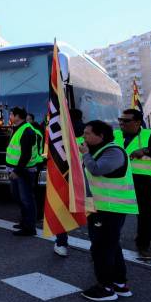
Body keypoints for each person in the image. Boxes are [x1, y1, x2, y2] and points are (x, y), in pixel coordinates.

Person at [79, 120, 139, 301]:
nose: (84, 136)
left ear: (101, 136)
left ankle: (105, 288)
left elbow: (97, 170)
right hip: (100, 207)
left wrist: (86, 155)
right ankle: (119, 284)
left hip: (110, 208)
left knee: (101, 248)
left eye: (88, 133)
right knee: (111, 246)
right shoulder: (100, 150)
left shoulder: (113, 151)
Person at [114, 109, 151, 255]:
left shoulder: (150, 135)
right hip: (118, 180)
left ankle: (143, 245)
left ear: (138, 122)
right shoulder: (114, 135)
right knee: (113, 213)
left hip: (143, 182)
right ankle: (109, 242)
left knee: (145, 215)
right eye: (120, 120)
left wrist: (146, 150)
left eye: (126, 121)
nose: (122, 123)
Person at [54, 109, 86, 257]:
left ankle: (61, 243)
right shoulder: (90, 132)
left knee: (62, 212)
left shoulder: (63, 133)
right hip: (89, 181)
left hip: (67, 178)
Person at [7, 107, 43, 236]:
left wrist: (16, 171)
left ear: (18, 116)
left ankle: (30, 228)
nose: (9, 116)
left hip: (23, 171)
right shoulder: (17, 128)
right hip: (17, 170)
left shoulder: (27, 131)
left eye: (11, 114)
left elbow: (26, 154)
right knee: (18, 197)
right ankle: (24, 222)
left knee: (27, 199)